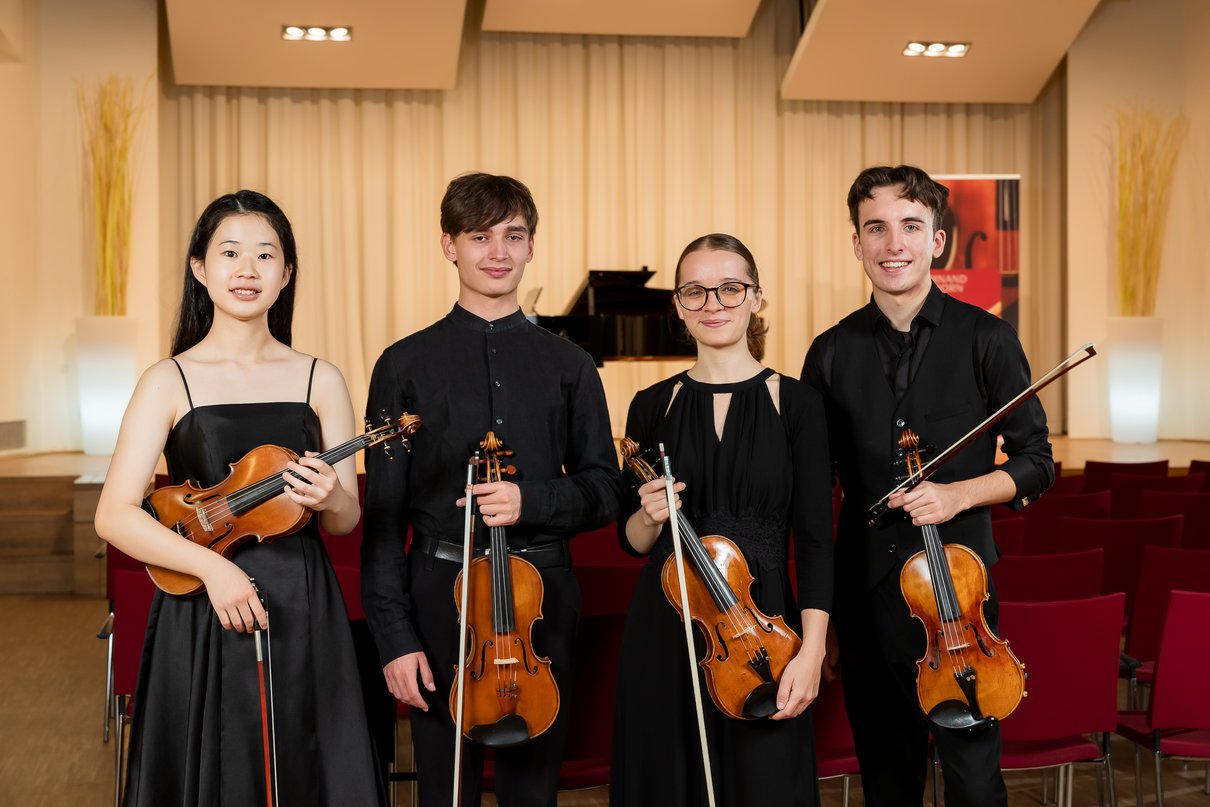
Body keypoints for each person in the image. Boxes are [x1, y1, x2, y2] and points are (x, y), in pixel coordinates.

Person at [94, 190, 385, 805]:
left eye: (264, 255)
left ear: (286, 275)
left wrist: (331, 495)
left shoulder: (321, 378)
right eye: (229, 253)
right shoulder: (167, 379)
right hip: (201, 599)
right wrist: (213, 569)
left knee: (306, 762)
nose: (246, 270)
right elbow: (114, 514)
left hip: (304, 602)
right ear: (201, 270)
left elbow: (345, 520)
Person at [360, 172, 621, 806]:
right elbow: (385, 520)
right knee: (443, 790)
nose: (498, 252)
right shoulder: (401, 365)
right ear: (449, 245)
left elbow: (606, 489)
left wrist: (532, 500)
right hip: (435, 596)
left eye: (514, 235)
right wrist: (395, 638)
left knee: (533, 790)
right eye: (479, 236)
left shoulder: (571, 365)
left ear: (533, 246)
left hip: (541, 601)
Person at [800, 165, 1054, 807]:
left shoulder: (988, 339)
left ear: (937, 240)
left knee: (973, 781)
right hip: (866, 601)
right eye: (876, 228)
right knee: (889, 778)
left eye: (911, 226)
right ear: (856, 243)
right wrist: (821, 619)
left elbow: (1036, 461)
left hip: (960, 602)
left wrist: (959, 494)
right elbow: (813, 496)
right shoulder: (828, 353)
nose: (894, 244)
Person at [610, 233, 834, 806]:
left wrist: (811, 653)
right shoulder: (650, 404)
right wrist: (647, 513)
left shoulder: (798, 404)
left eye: (730, 288)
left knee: (764, 783)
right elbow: (633, 542)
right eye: (696, 291)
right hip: (669, 622)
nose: (714, 304)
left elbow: (813, 541)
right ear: (679, 305)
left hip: (765, 631)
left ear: (756, 298)